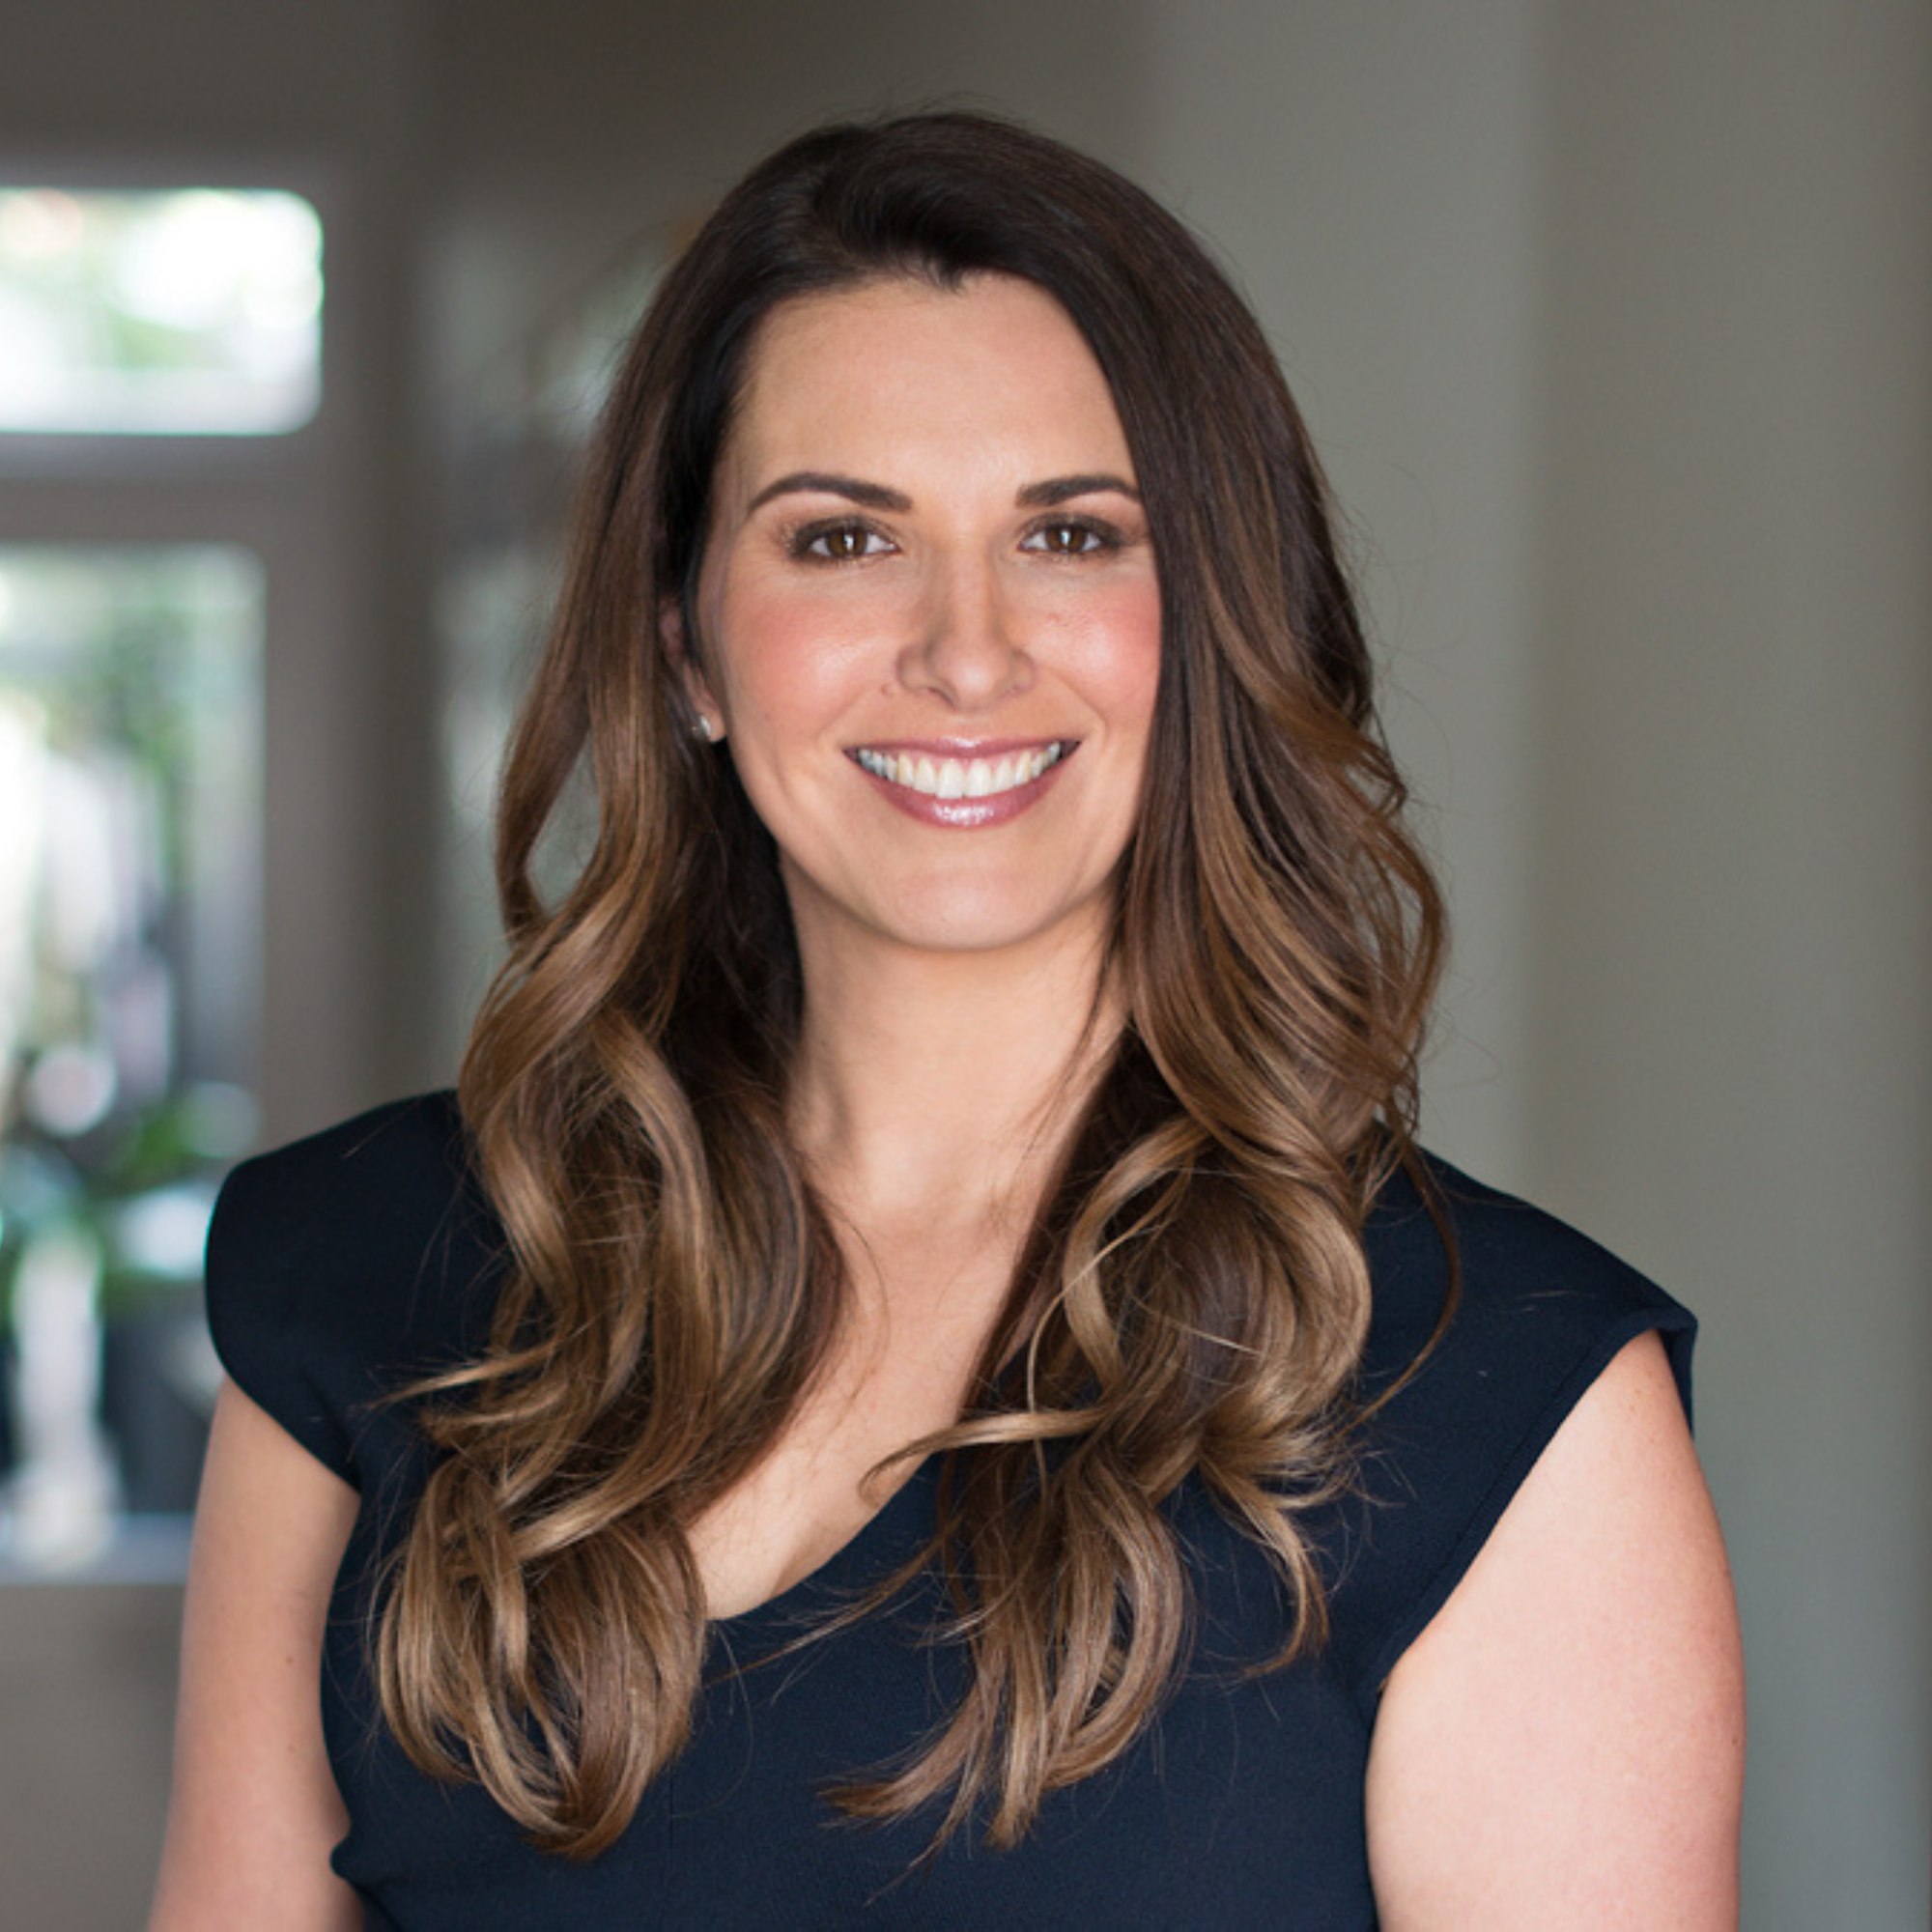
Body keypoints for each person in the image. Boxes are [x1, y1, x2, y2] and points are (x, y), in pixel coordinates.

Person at [150, 112, 1744, 1929]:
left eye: (1069, 534)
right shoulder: (365, 1278)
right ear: (686, 644)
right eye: (843, 539)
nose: (967, 653)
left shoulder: (1496, 1398)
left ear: (1206, 622)